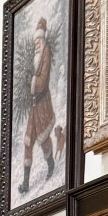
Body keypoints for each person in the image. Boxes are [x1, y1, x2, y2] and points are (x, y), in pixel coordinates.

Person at [20, 14, 64, 194]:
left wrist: (32, 82)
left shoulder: (45, 53)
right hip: (33, 106)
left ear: (42, 39)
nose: (36, 43)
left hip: (43, 104)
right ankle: (26, 182)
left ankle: (51, 164)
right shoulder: (35, 57)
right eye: (35, 41)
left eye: (38, 40)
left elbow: (43, 80)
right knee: (28, 140)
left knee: (44, 138)